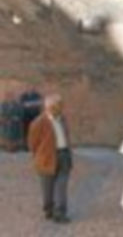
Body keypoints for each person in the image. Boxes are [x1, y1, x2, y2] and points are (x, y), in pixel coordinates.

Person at [27, 94, 72, 223]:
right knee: (47, 187)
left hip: (63, 155)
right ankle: (49, 209)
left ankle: (60, 212)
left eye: (61, 106)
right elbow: (32, 143)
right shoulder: (38, 123)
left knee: (61, 186)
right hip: (46, 158)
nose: (60, 108)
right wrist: (40, 156)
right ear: (49, 107)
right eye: (57, 106)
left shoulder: (62, 119)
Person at [20, 85, 43, 150]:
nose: (31, 88)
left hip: (35, 117)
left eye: (32, 87)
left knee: (36, 132)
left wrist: (29, 105)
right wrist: (31, 105)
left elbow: (39, 104)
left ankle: (36, 145)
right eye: (29, 87)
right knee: (26, 132)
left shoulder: (37, 96)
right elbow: (22, 105)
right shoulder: (23, 96)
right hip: (26, 118)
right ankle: (26, 146)